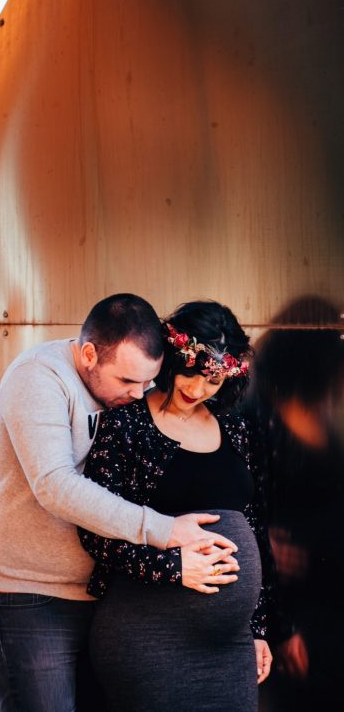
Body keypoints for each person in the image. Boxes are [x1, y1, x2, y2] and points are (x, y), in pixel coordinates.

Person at [0, 294, 240, 712]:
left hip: (110, 602)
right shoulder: (38, 377)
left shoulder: (135, 388)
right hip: (32, 599)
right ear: (89, 355)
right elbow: (55, 485)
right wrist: (165, 530)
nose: (139, 395)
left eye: (147, 383)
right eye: (127, 382)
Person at [79, 300, 278, 712]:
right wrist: (173, 568)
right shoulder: (126, 424)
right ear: (172, 355)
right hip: (149, 637)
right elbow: (93, 529)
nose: (196, 388)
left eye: (213, 381)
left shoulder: (236, 429)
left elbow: (254, 527)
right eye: (191, 372)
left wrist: (257, 627)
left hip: (230, 645)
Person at [244, 297, 344, 712]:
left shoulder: (324, 423)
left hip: (328, 602)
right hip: (292, 614)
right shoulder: (257, 421)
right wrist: (280, 627)